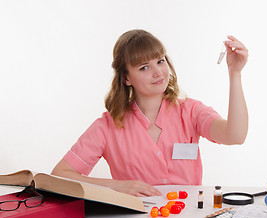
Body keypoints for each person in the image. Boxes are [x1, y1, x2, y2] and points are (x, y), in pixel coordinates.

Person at [52, 29, 248, 197]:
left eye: (160, 61)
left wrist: (235, 73)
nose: (158, 72)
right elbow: (60, 175)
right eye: (144, 67)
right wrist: (116, 186)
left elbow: (236, 136)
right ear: (126, 78)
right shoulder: (107, 126)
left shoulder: (191, 111)